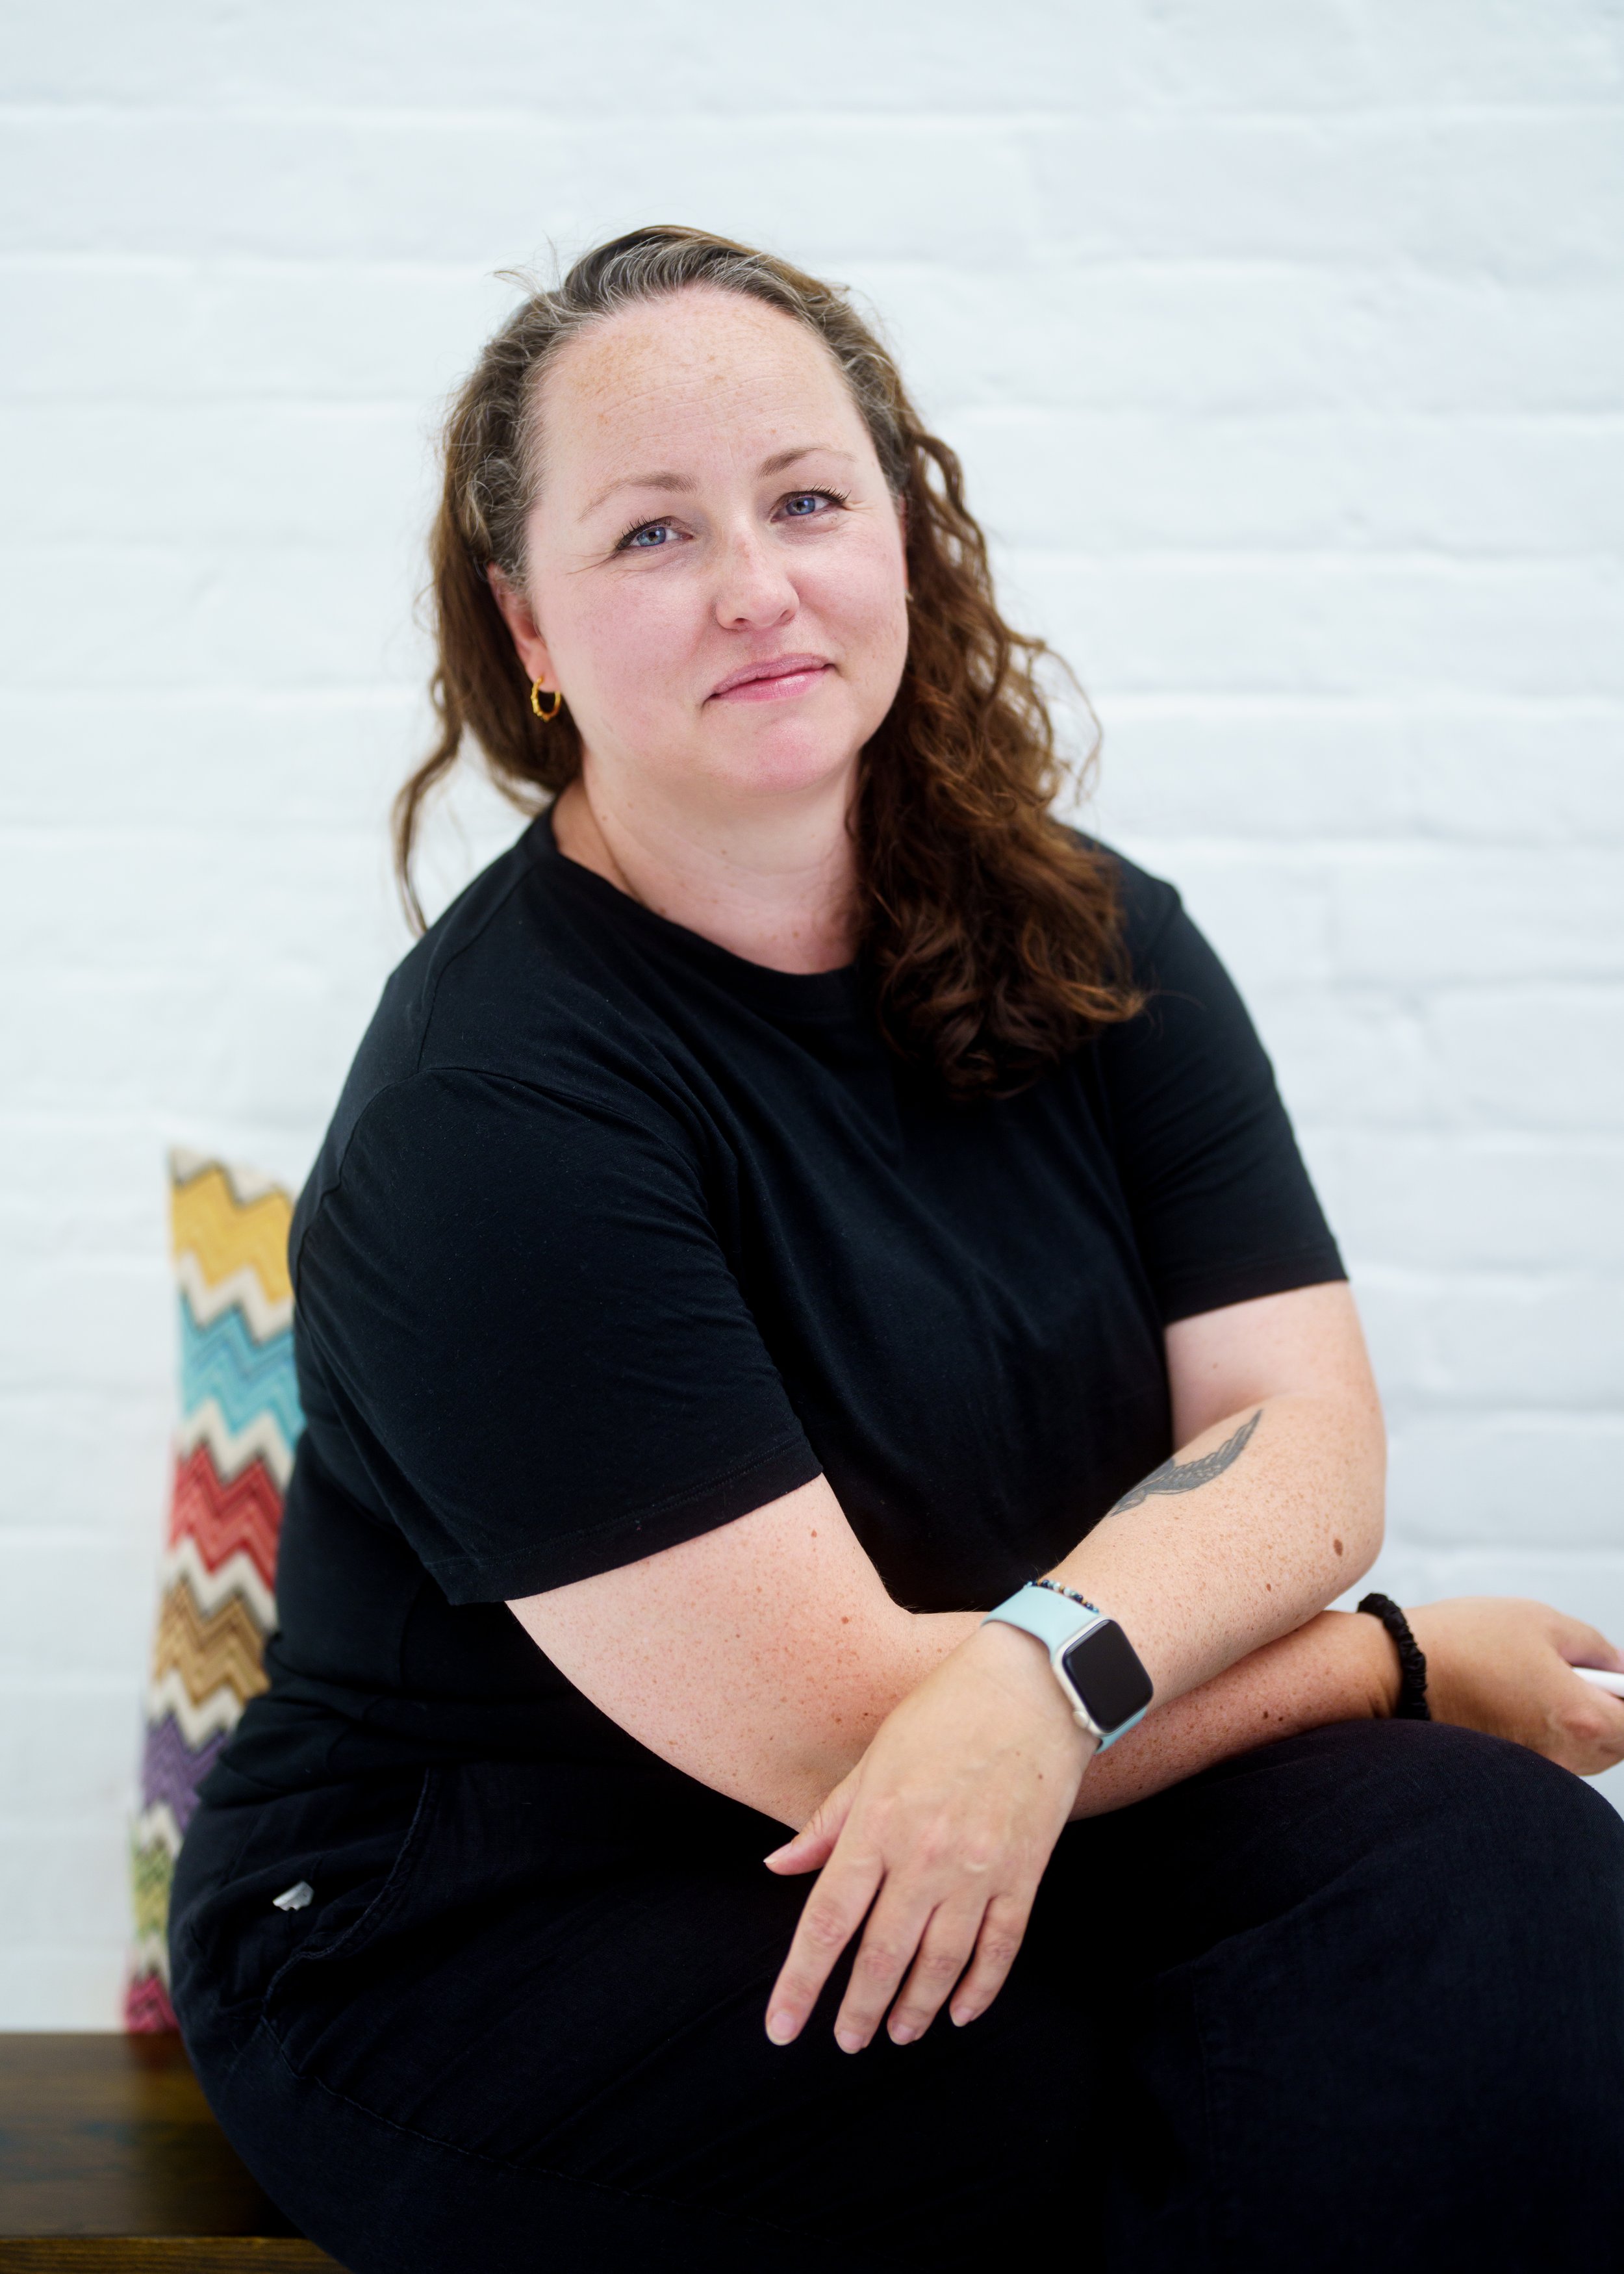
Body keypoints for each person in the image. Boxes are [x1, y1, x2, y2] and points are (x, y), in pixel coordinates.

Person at [169, 226, 1624, 2274]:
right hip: (490, 1909)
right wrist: (1390, 1664)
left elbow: (1302, 1441)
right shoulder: (486, 1115)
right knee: (1004, 2098)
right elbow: (844, 1730)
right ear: (530, 630)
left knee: (1500, 1889)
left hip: (1026, 1772)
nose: (756, 584)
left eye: (804, 500)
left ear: (901, 540)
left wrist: (1041, 1687)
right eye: (654, 532)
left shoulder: (1093, 938)